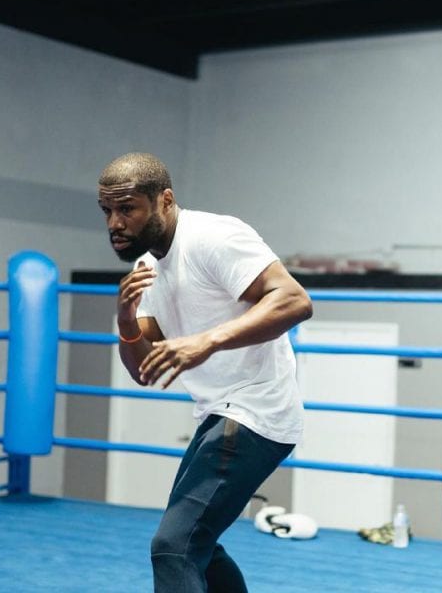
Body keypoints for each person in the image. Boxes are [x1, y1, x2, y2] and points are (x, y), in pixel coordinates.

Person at [98, 152, 313, 593]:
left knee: (174, 546)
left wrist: (207, 340)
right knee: (199, 546)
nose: (115, 223)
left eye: (127, 208)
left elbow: (294, 300)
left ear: (165, 200)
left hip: (256, 411)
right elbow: (144, 371)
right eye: (107, 211)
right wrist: (125, 322)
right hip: (220, 414)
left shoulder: (213, 237)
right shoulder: (146, 270)